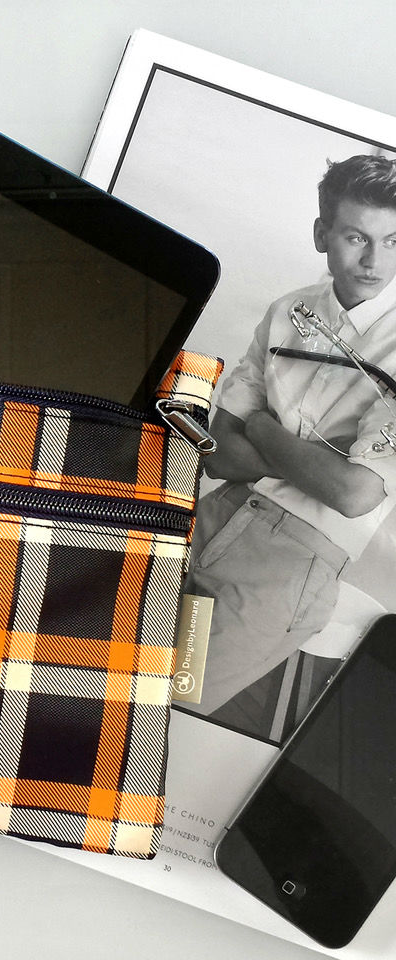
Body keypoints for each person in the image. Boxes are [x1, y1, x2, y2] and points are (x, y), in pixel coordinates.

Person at [183, 154, 396, 731]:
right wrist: (308, 460)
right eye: (356, 237)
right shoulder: (287, 312)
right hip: (214, 515)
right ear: (322, 234)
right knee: (83, 666)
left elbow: (354, 493)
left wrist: (259, 426)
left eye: (393, 241)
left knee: (152, 711)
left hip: (288, 564)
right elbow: (218, 453)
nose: (374, 261)